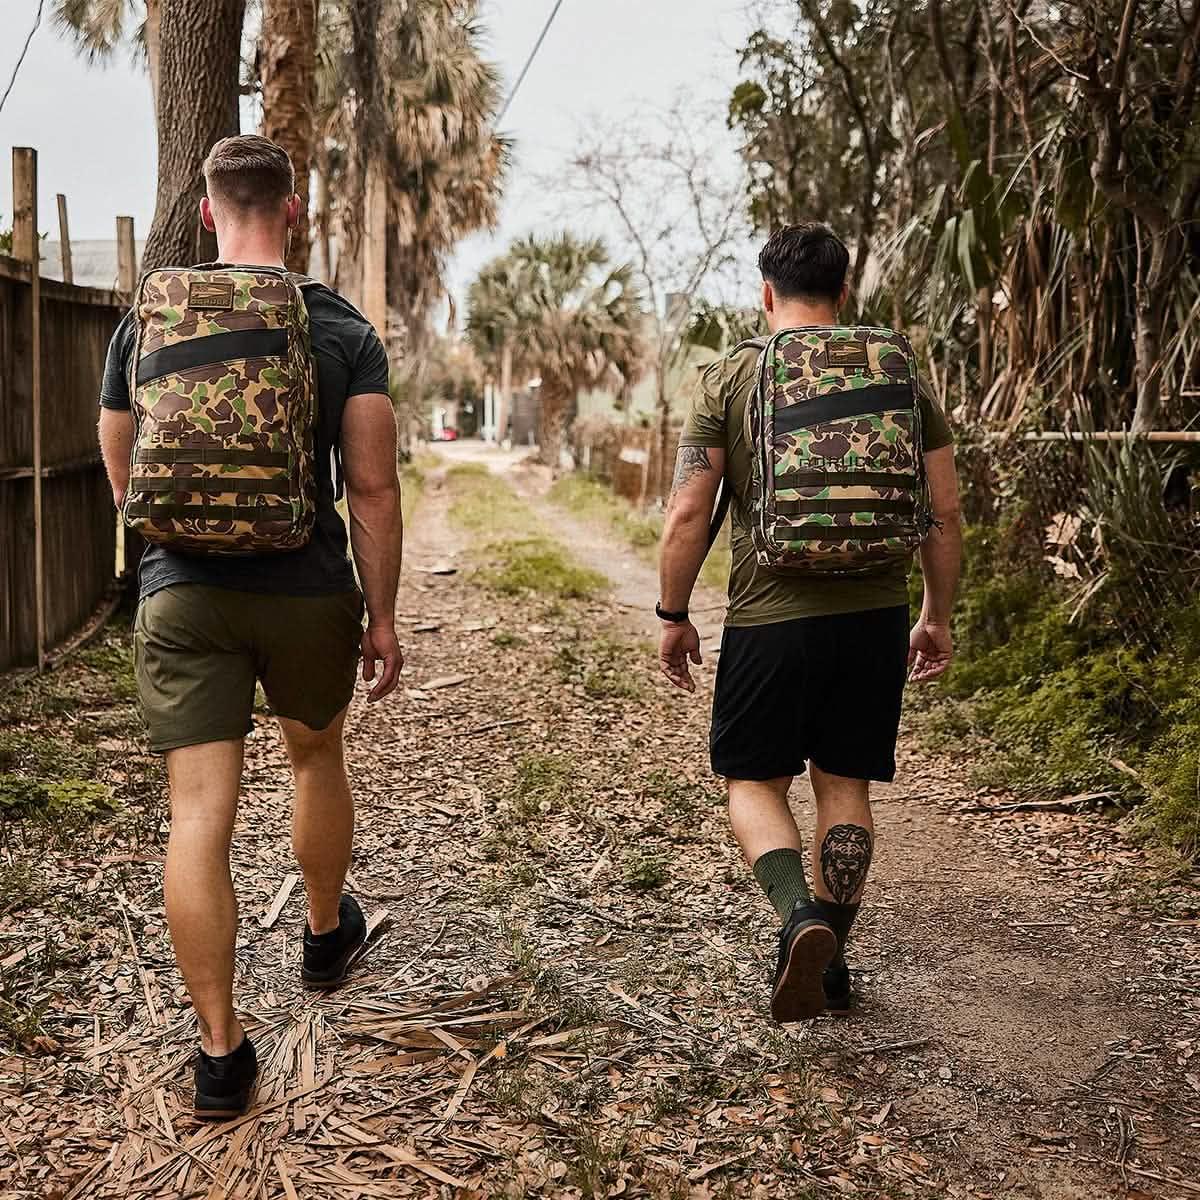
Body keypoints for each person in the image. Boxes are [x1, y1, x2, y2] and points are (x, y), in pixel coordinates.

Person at [97, 134, 404, 1117]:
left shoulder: (149, 322)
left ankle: (221, 1054)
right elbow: (371, 486)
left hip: (182, 593)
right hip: (307, 585)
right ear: (295, 209)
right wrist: (384, 614)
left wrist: (169, 551)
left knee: (199, 815)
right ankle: (323, 936)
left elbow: (119, 462)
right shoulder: (341, 329)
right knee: (315, 757)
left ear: (205, 215)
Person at [656, 222, 961, 1022]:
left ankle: (797, 917)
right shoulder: (899, 373)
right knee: (845, 784)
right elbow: (946, 512)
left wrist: (674, 613)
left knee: (754, 779)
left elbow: (691, 509)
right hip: (874, 614)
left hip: (769, 617)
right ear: (844, 294)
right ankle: (834, 959)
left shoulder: (732, 375)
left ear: (766, 294)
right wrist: (935, 615)